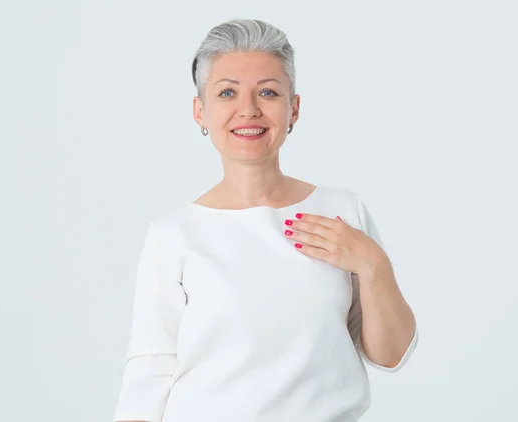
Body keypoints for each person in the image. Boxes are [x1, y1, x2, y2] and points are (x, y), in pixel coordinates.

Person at [113, 18, 418, 422]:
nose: (249, 110)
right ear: (200, 111)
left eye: (268, 92)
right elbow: (150, 373)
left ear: (293, 108)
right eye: (227, 93)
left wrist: (373, 264)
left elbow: (392, 356)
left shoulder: (342, 211)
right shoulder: (173, 236)